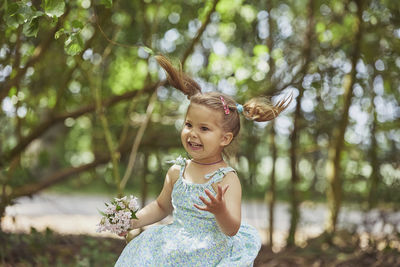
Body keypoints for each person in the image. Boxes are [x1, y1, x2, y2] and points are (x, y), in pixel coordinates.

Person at [115, 55, 291, 267]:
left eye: (204, 128)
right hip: (173, 248)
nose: (192, 134)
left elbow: (232, 228)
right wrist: (132, 221)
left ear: (225, 138)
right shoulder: (177, 171)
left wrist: (220, 211)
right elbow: (161, 206)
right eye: (189, 124)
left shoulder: (227, 179)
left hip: (208, 254)